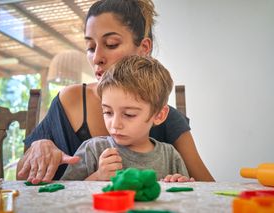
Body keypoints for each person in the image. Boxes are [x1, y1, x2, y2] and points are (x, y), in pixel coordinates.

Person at [17, 0, 214, 184]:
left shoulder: (168, 119)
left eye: (111, 44)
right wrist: (40, 145)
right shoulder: (70, 99)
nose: (96, 58)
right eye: (90, 47)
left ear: (143, 48)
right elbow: (19, 179)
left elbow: (207, 188)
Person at [62, 55, 193, 182]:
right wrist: (97, 176)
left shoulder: (170, 156)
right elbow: (64, 195)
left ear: (159, 115)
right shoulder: (93, 150)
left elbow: (187, 198)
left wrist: (180, 183)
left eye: (129, 114)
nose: (115, 124)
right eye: (108, 112)